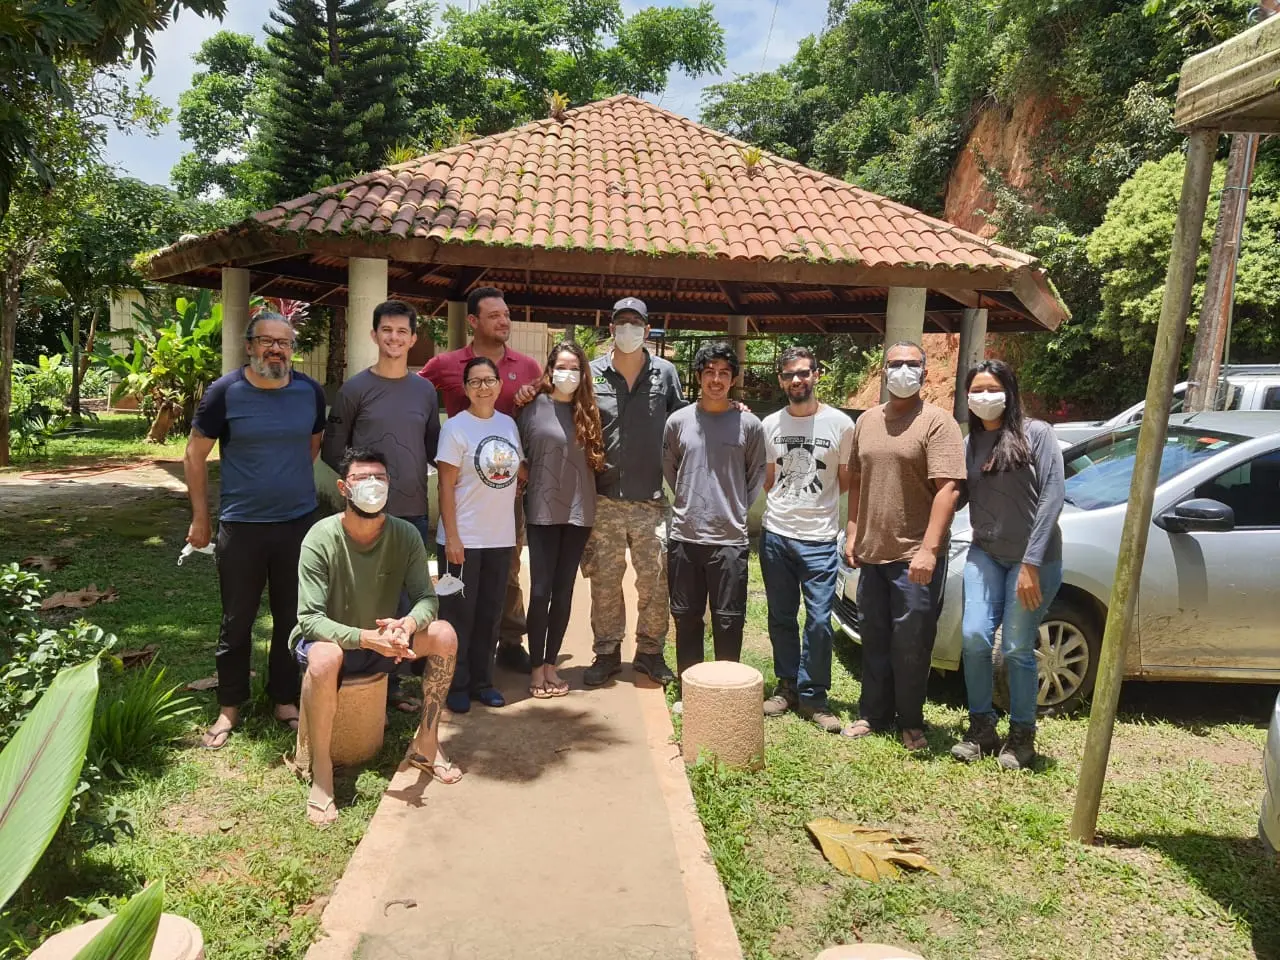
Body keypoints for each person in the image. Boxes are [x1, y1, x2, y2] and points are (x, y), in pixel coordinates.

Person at [293, 447, 461, 827]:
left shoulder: (404, 535)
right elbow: (309, 619)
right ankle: (322, 770)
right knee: (324, 658)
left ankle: (427, 744)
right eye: (362, 478)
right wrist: (367, 637)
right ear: (343, 488)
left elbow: (425, 598)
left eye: (380, 478)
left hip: (388, 642)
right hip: (337, 642)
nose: (373, 486)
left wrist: (408, 625)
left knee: (444, 636)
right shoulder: (320, 538)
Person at [185, 312, 326, 750]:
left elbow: (313, 445)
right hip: (242, 526)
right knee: (237, 619)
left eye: (284, 342)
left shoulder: (309, 392)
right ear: (249, 346)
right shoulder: (225, 393)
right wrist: (201, 518)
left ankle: (284, 698)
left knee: (291, 617)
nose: (276, 349)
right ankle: (229, 706)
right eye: (266, 341)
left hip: (298, 524)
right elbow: (194, 455)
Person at [841, 340, 964, 752]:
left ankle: (911, 722)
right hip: (873, 552)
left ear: (925, 373)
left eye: (912, 364)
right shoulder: (868, 422)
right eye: (895, 364)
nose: (903, 371)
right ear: (883, 372)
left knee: (911, 642)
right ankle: (873, 714)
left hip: (916, 556)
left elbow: (947, 488)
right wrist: (853, 531)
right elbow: (856, 479)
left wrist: (930, 549)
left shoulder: (937, 423)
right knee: (873, 636)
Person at [321, 299, 441, 713]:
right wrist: (361, 490)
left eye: (402, 332)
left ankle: (391, 687)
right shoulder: (355, 390)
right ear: (374, 335)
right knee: (366, 599)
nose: (394, 338)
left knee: (405, 603)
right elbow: (333, 450)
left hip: (411, 510)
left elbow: (433, 447)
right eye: (386, 330)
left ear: (412, 338)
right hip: (366, 516)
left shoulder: (425, 390)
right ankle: (357, 681)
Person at [420, 286, 541, 674]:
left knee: (505, 571)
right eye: (494, 316)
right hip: (464, 491)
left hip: (507, 494)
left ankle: (508, 641)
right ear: (473, 322)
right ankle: (449, 648)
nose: (504, 321)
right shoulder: (445, 364)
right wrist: (429, 450)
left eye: (506, 315)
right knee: (458, 578)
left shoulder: (528, 367)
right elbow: (415, 396)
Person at [951, 360, 1065, 770]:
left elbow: (1053, 496)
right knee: (974, 638)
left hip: (1032, 559)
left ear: (1009, 391)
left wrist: (1031, 563)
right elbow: (958, 495)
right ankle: (981, 728)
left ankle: (1022, 736)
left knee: (1017, 647)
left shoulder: (1037, 434)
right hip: (986, 552)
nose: (984, 396)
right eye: (976, 390)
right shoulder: (971, 441)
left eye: (991, 388)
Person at [579, 298, 685, 687]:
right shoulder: (591, 374)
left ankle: (650, 653)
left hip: (651, 501)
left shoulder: (666, 374)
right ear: (611, 329)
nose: (628, 329)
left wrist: (731, 409)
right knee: (605, 581)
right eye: (621, 322)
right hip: (604, 499)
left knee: (655, 581)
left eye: (635, 323)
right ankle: (606, 653)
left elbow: (684, 422)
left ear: (647, 328)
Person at [663, 342, 767, 700]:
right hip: (685, 536)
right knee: (686, 617)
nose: (716, 380)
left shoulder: (749, 424)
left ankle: (726, 693)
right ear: (698, 376)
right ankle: (689, 691)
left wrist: (733, 509)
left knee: (728, 619)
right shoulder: (678, 422)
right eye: (709, 372)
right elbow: (671, 470)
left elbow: (755, 476)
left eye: (724, 373)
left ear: (734, 379)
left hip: (729, 540)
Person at [759, 347, 854, 733]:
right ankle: (786, 687)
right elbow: (768, 479)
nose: (796, 380)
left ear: (816, 375)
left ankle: (814, 695)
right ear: (781, 381)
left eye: (803, 373)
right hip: (776, 535)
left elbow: (846, 481)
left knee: (817, 621)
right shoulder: (769, 425)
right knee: (782, 616)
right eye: (788, 375)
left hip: (819, 539)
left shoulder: (842, 425)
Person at [517, 341, 605, 699]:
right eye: (562, 366)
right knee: (540, 591)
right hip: (541, 509)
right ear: (550, 369)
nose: (568, 373)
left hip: (579, 512)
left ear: (583, 373)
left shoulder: (590, 411)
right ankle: (536, 667)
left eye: (575, 367)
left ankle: (552, 664)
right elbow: (516, 457)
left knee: (565, 590)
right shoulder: (530, 408)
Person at [435, 355, 523, 712]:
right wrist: (453, 537)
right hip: (462, 539)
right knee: (458, 615)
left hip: (500, 538)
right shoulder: (455, 428)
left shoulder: (508, 425)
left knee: (490, 613)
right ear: (465, 388)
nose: (483, 387)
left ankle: (483, 682)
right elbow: (444, 486)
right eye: (475, 381)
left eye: (489, 380)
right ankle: (456, 683)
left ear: (500, 385)